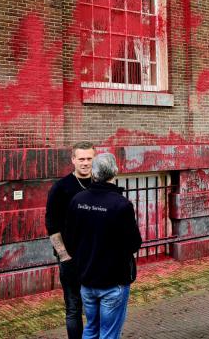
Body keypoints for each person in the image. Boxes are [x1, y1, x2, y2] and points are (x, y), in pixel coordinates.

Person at [64, 153, 142, 339]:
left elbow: (69, 239)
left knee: (91, 328)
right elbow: (134, 243)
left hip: (87, 280)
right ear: (114, 172)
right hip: (113, 282)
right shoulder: (121, 205)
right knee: (109, 334)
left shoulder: (78, 200)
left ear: (94, 173)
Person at [45, 141, 95, 339]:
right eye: (81, 158)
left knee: (95, 306)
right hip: (71, 258)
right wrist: (64, 256)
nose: (85, 163)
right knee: (74, 308)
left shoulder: (100, 184)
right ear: (73, 160)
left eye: (89, 158)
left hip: (95, 257)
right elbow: (52, 224)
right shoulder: (61, 188)